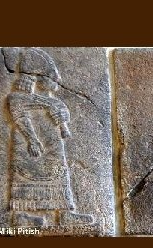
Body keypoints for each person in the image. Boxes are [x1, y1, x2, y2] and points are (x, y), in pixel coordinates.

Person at [6, 48, 94, 227]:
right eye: (50, 77)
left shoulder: (51, 101)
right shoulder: (17, 98)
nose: (57, 81)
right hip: (31, 145)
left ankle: (65, 214)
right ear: (36, 78)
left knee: (59, 175)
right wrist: (32, 140)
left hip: (52, 146)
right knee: (27, 176)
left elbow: (59, 114)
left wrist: (60, 113)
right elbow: (19, 117)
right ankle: (21, 216)